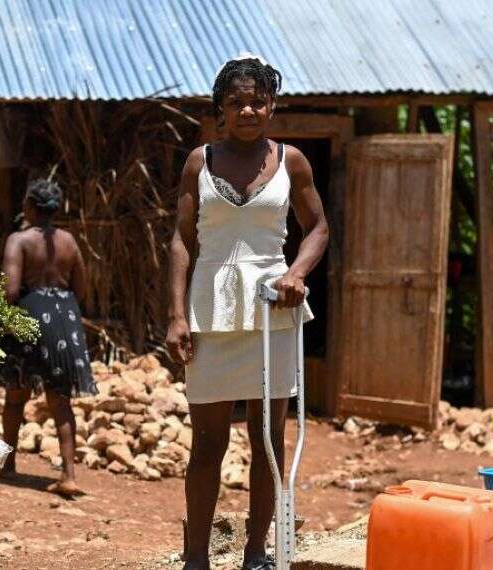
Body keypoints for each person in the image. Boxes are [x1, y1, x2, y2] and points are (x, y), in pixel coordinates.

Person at [166, 55, 329, 570]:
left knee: (268, 439)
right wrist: (175, 315)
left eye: (258, 101)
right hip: (211, 307)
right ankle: (196, 558)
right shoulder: (200, 161)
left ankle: (256, 552)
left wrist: (297, 272)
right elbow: (181, 242)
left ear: (272, 106)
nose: (249, 110)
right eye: (237, 102)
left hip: (272, 306)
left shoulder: (292, 161)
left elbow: (319, 228)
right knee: (208, 442)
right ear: (221, 109)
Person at [0, 179, 97, 497]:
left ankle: (8, 464)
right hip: (66, 319)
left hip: (30, 319)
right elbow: (81, 290)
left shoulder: (19, 240)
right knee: (60, 400)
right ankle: (69, 474)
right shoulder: (70, 241)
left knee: (16, 393)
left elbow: (9, 290)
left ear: (30, 207)